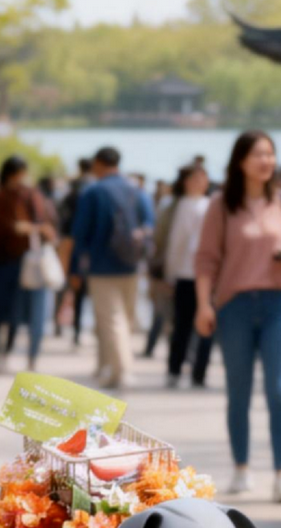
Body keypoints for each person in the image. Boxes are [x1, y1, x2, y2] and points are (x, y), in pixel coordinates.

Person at [195, 130, 281, 503]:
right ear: (241, 161)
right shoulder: (221, 205)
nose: (267, 161)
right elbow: (206, 259)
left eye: (271, 154)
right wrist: (203, 304)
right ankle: (242, 467)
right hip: (236, 306)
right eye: (259, 154)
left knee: (279, 392)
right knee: (238, 393)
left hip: (279, 304)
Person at [72, 146, 154, 389]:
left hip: (101, 267)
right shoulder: (137, 191)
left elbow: (80, 233)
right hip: (131, 264)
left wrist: (76, 268)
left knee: (110, 320)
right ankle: (107, 367)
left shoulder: (93, 191)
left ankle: (122, 371)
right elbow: (150, 223)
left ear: (98, 163)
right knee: (121, 320)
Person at [0, 155, 56, 373]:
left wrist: (31, 228)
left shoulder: (30, 195)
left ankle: (8, 352)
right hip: (1, 259)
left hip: (25, 261)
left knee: (16, 311)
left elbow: (44, 222)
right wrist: (15, 228)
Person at [164, 163, 212, 388]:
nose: (198, 182)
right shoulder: (184, 204)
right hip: (185, 273)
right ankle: (177, 369)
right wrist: (171, 273)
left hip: (205, 274)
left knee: (202, 326)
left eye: (202, 178)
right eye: (194, 178)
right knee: (183, 325)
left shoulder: (210, 204)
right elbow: (176, 242)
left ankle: (198, 372)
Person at [56, 157, 93, 344]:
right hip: (86, 245)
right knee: (82, 289)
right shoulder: (93, 188)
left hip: (67, 241)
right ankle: (78, 329)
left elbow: (61, 217)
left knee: (63, 283)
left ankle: (59, 324)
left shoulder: (71, 190)